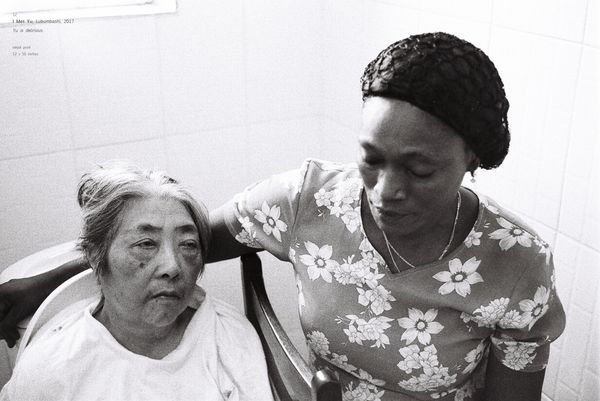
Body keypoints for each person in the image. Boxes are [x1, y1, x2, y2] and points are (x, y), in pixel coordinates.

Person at [0, 33, 565, 401]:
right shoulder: (306, 201)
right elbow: (184, 241)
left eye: (420, 170)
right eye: (371, 159)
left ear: (473, 159)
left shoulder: (516, 265)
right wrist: (52, 279)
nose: (386, 191)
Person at [0, 164, 273, 401]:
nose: (172, 267)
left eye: (188, 244)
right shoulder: (50, 370)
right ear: (95, 257)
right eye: (146, 244)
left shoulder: (229, 342)